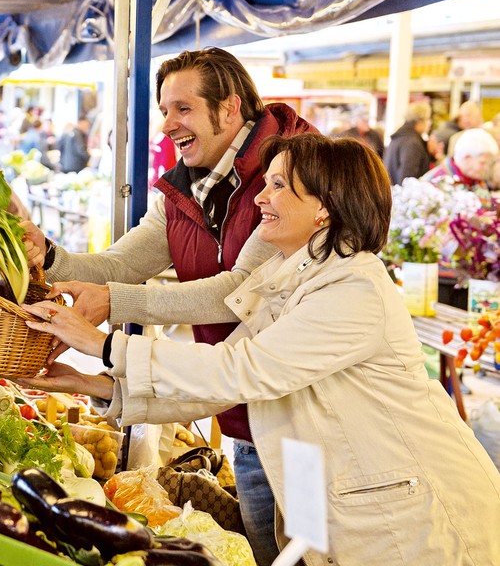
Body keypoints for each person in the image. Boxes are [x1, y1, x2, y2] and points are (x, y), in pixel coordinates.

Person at [23, 133, 500, 566]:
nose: (260, 198)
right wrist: (96, 384)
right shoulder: (286, 276)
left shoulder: (353, 285)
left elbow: (240, 372)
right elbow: (219, 390)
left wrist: (104, 344)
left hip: (416, 514)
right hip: (339, 496)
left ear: (325, 208)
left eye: (278, 187)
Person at [23, 47, 316, 566]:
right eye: (163, 110)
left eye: (182, 109)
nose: (167, 126)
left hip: (305, 425)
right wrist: (47, 254)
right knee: (272, 557)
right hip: (237, 413)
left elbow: (235, 293)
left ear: (229, 109)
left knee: (314, 555)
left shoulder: (291, 181)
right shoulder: (185, 190)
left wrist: (112, 310)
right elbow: (120, 263)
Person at [422, 127, 499, 193]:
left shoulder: (476, 181)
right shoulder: (436, 182)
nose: (485, 167)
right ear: (467, 157)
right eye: (482, 163)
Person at [383, 101, 432, 185]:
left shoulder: (398, 137)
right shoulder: (412, 143)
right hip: (405, 196)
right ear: (419, 120)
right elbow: (408, 178)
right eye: (427, 119)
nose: (429, 123)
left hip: (393, 192)